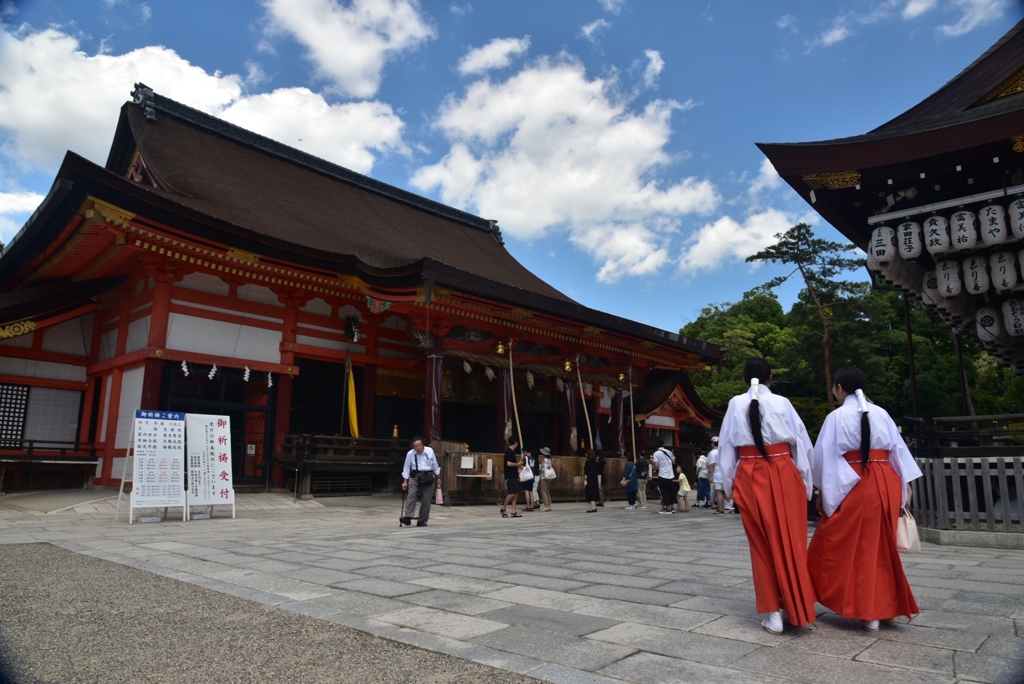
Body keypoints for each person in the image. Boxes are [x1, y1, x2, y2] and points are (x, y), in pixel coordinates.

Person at [807, 366, 922, 632]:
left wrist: (824, 493)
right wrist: (905, 488)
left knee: (831, 541)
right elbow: (898, 452)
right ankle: (885, 609)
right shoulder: (882, 413)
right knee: (881, 546)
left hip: (853, 480)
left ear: (839, 388)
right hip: (886, 479)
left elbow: (825, 459)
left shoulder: (836, 417)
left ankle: (867, 610)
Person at [718, 357, 816, 634]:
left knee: (760, 544)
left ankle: (773, 613)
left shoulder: (735, 404)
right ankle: (797, 607)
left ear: (743, 379)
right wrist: (806, 484)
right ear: (770, 378)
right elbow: (802, 445)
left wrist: (729, 487)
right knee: (792, 541)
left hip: (748, 473)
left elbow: (727, 449)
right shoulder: (783, 403)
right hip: (784, 469)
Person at [400, 437, 441, 527]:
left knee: (426, 499)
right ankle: (408, 517)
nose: (418, 448)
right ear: (413, 447)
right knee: (411, 495)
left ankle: (422, 520)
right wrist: (405, 481)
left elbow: (434, 464)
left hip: (427, 476)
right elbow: (406, 468)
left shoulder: (429, 451)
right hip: (415, 476)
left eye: (419, 445)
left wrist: (438, 476)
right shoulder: (410, 454)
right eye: (415, 446)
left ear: (423, 445)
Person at [652, 440, 676, 515]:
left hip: (663, 475)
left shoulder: (656, 453)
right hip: (671, 474)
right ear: (663, 445)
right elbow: (674, 462)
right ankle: (672, 507)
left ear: (656, 446)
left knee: (664, 492)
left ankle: (668, 508)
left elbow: (656, 465)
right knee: (671, 491)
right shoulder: (668, 452)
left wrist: (653, 468)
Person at [501, 437, 523, 518]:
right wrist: (518, 464)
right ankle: (503, 508)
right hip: (510, 476)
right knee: (512, 493)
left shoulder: (512, 452)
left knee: (516, 493)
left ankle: (514, 511)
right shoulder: (509, 452)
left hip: (514, 475)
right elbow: (509, 464)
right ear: (516, 443)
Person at [707, 438, 724, 514]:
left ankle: (720, 509)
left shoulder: (713, 453)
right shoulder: (723, 451)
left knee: (718, 492)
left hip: (717, 474)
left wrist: (711, 476)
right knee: (722, 492)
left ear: (713, 443)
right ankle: (722, 507)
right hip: (724, 474)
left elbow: (712, 465)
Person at [537, 447, 554, 512]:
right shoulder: (549, 460)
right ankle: (549, 505)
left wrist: (539, 469)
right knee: (547, 491)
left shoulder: (544, 460)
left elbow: (543, 469)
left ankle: (546, 506)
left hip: (544, 477)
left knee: (543, 491)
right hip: (549, 477)